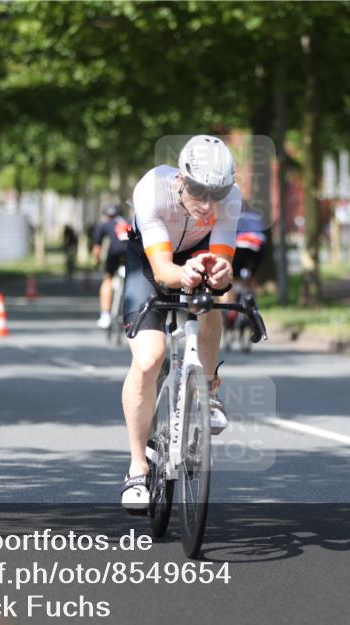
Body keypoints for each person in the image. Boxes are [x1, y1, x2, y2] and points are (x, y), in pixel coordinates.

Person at [120, 135, 241, 511]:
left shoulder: (229, 199)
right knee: (149, 359)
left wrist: (221, 273)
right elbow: (162, 270)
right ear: (181, 181)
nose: (208, 204)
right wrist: (181, 273)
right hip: (150, 261)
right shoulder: (153, 190)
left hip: (195, 255)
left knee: (210, 305)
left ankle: (207, 389)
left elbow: (223, 263)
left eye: (217, 193)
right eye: (199, 191)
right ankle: (137, 468)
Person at [91, 205, 132, 329]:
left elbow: (97, 248)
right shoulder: (129, 221)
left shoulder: (105, 224)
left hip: (114, 252)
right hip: (131, 252)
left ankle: (105, 315)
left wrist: (96, 263)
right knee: (133, 280)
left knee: (107, 279)